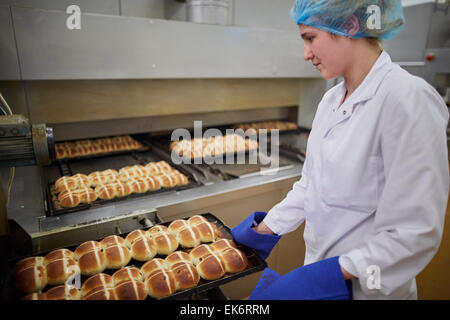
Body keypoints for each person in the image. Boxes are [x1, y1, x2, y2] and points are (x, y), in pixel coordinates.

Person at [231, 0, 449, 300]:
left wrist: (329, 276)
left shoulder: (407, 100)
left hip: (367, 289)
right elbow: (311, 185)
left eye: (310, 38)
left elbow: (413, 234)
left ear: (349, 26)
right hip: (321, 276)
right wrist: (265, 228)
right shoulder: (332, 100)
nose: (306, 54)